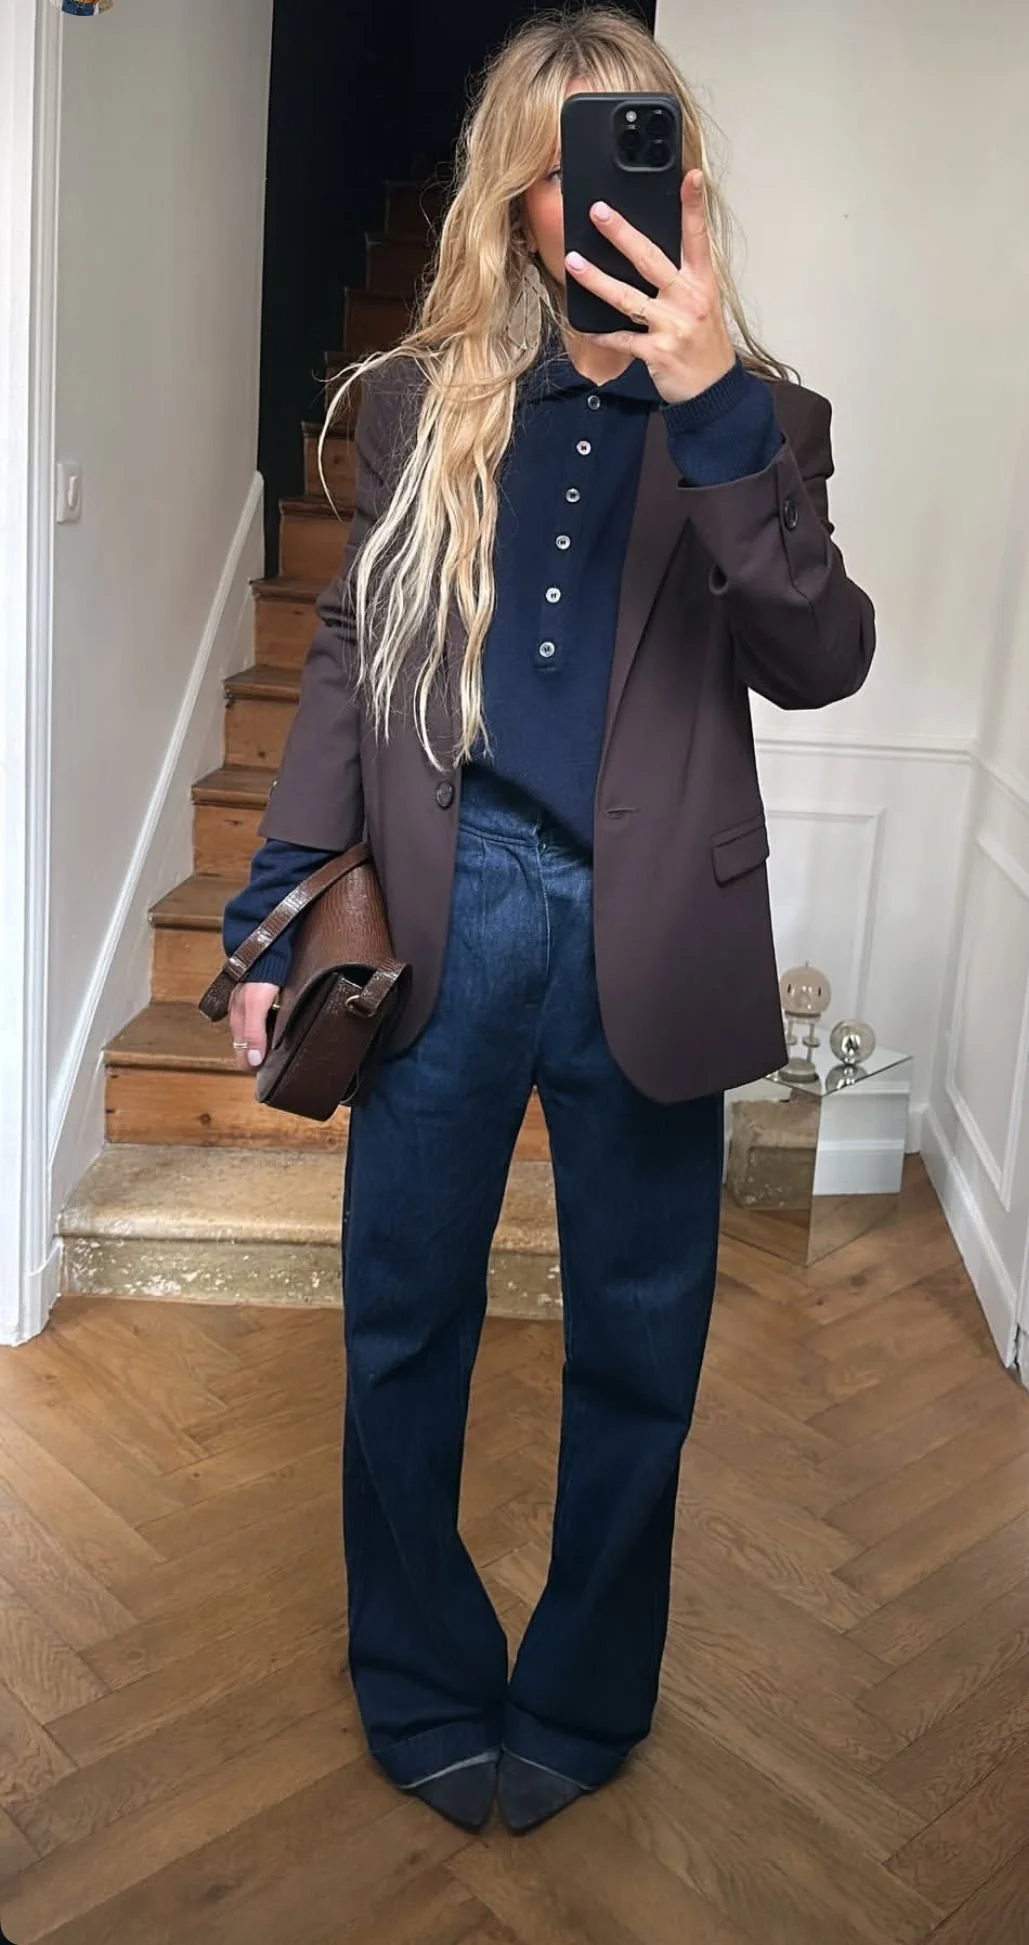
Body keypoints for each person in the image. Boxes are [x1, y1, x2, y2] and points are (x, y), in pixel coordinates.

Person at [221, 5, 875, 1835]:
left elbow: (821, 655)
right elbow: (349, 654)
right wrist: (276, 901)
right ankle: (424, 1680)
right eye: (562, 164)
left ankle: (586, 1694)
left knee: (640, 1347)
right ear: (516, 197)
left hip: (652, 931)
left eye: (635, 153)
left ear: (682, 187)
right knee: (401, 1321)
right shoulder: (421, 404)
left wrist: (713, 399)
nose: (596, 200)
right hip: (452, 911)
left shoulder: (762, 420)